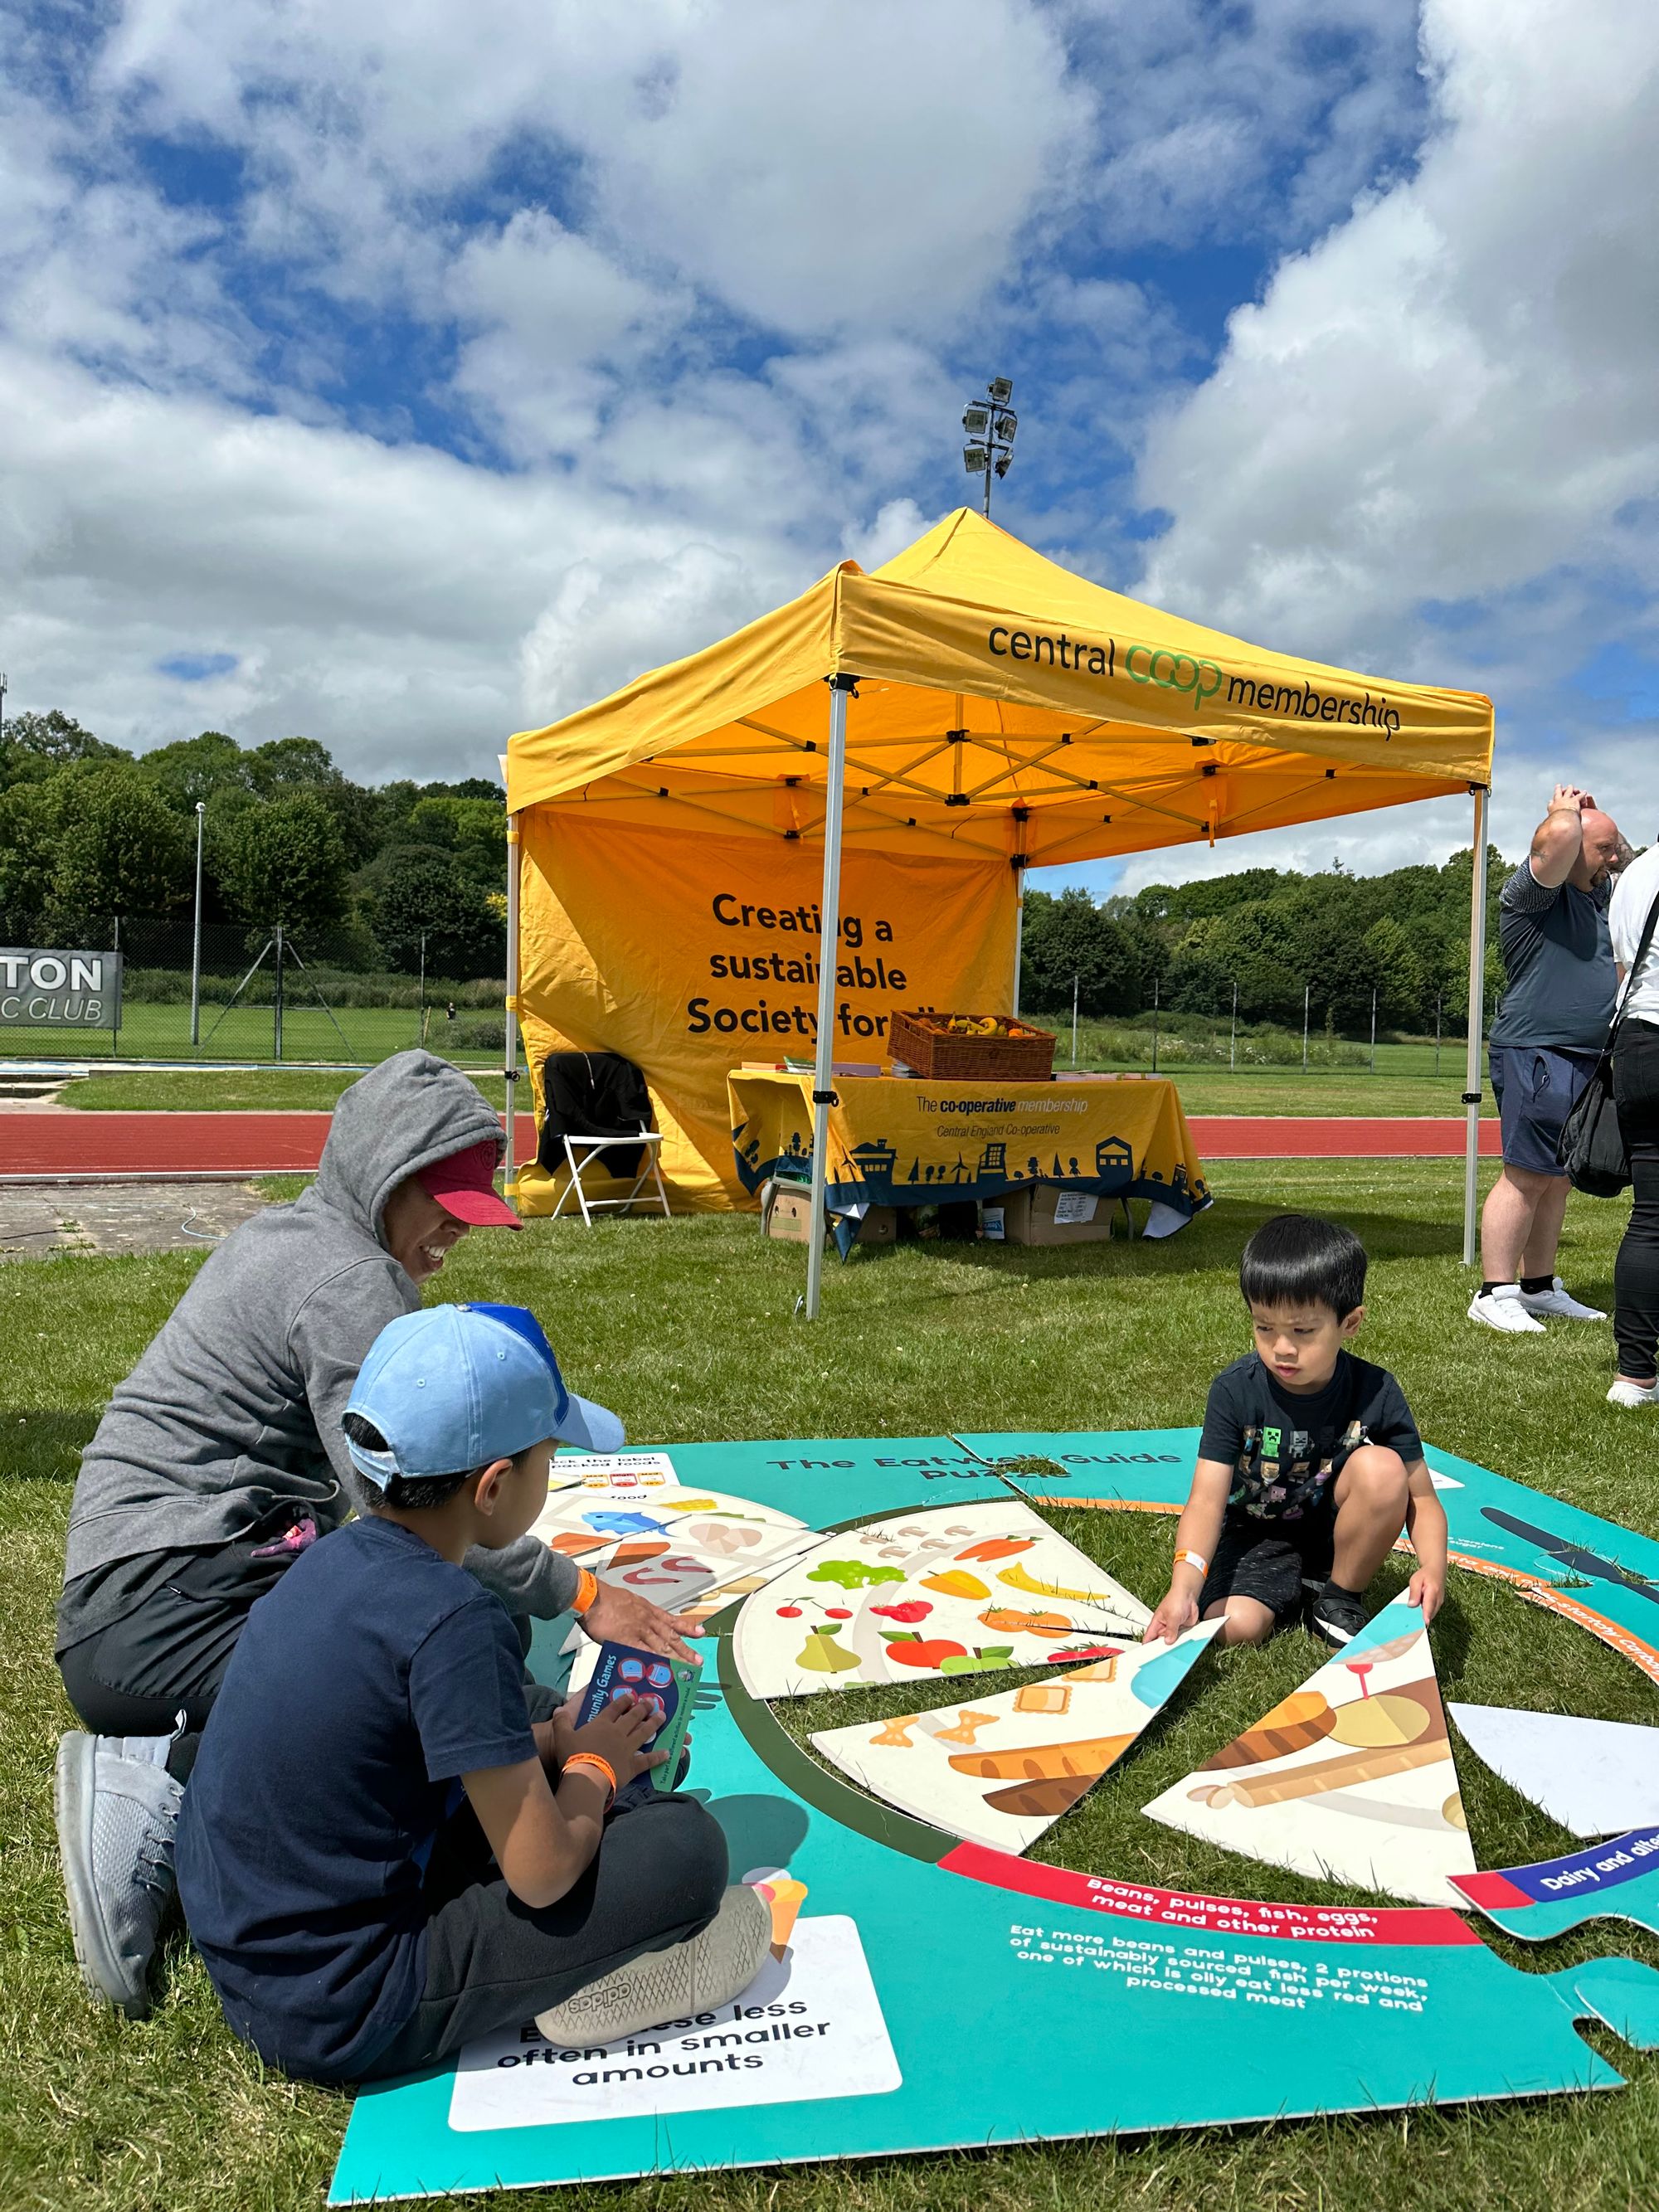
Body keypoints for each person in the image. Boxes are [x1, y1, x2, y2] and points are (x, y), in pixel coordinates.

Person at [53, 1050, 691, 2020]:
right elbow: (408, 1495)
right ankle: (162, 1784)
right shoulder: (350, 1282)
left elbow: (415, 1517)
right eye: (443, 1206)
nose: (455, 1234)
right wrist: (582, 1604)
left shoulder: (301, 1236)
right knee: (451, 1676)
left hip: (168, 1577)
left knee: (462, 1653)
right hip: (157, 1612)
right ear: (381, 1177)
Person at [173, 1303, 764, 2083]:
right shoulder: (457, 1621)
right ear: (494, 1487)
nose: (552, 1473)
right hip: (344, 1999)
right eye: (549, 1458)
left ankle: (577, 1788)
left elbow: (392, 1743)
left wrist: (557, 1741)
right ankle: (588, 1978)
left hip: (251, 1940)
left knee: (543, 1725)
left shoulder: (331, 1557)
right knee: (686, 1849)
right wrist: (593, 1769)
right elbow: (542, 1874)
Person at [1144, 1213, 1447, 1650]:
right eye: (1264, 1327)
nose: (1282, 1348)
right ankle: (1289, 1588)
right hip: (1254, 1534)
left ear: (1350, 1323)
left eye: (1303, 1330)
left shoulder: (1376, 1391)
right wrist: (1184, 1588)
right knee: (1234, 1628)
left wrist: (1433, 1568)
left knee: (1383, 1468)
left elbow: (1422, 1498)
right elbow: (1206, 1500)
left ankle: (1339, 1594)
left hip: (1337, 1537)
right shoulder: (1234, 1391)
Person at [1470, 785, 1624, 1334]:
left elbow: (1628, 863)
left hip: (1583, 1056)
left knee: (1558, 1177)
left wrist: (1597, 828)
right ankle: (1494, 1292)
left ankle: (1537, 1286)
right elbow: (1557, 838)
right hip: (1536, 1050)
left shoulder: (1600, 899)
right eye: (1603, 849)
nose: (1613, 859)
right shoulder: (1534, 896)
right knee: (1525, 1174)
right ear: (1573, 847)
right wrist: (1565, 812)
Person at [1607, 836, 1659, 1406]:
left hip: (1639, 1041)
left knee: (1650, 1216)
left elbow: (1624, 968)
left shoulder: (1636, 876)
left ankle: (1635, 1373)